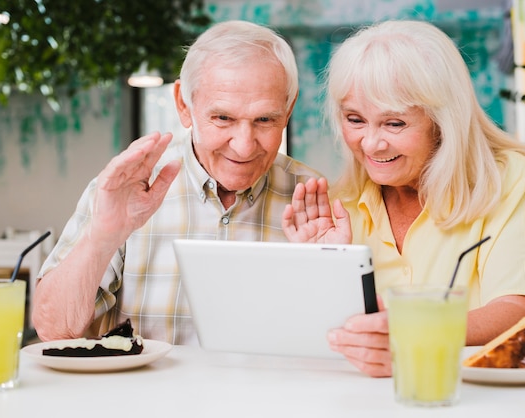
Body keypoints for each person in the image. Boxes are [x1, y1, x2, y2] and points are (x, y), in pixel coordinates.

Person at [282, 20, 525, 377]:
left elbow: (515, 311)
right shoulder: (338, 206)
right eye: (355, 119)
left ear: (443, 122)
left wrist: (411, 331)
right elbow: (330, 342)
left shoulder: (505, 178)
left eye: (394, 124)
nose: (371, 144)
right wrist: (321, 267)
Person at [32, 20, 320, 344]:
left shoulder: (315, 201)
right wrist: (103, 236)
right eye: (223, 118)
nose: (243, 144)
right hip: (139, 396)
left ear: (289, 108)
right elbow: (53, 330)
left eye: (265, 120)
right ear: (184, 104)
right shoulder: (125, 190)